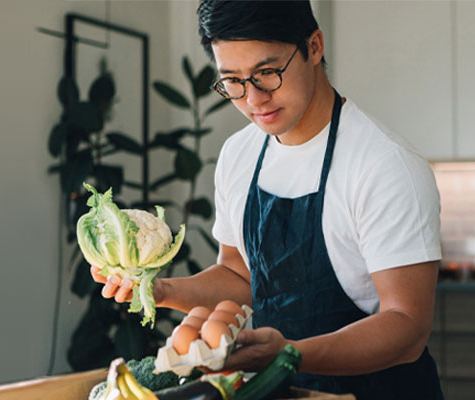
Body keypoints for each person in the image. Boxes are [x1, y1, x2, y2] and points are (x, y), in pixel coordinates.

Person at [90, 1, 444, 398]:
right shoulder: (239, 154)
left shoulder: (384, 165)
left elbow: (407, 325)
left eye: (267, 73)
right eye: (233, 82)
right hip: (282, 390)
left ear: (314, 47)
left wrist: (289, 354)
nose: (254, 99)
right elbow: (240, 277)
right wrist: (161, 291)